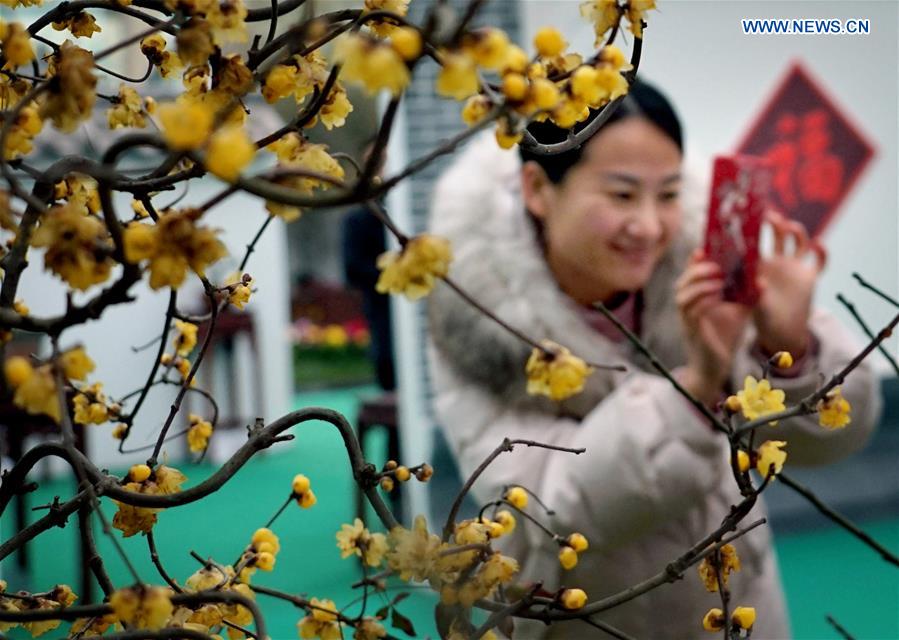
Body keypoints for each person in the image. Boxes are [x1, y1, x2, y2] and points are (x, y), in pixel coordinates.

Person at [425, 80, 882, 639]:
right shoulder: (477, 316)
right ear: (538, 188)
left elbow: (833, 440)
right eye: (621, 195)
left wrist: (787, 346)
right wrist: (697, 388)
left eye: (667, 195)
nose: (647, 226)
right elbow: (547, 511)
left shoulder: (700, 274)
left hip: (736, 613)